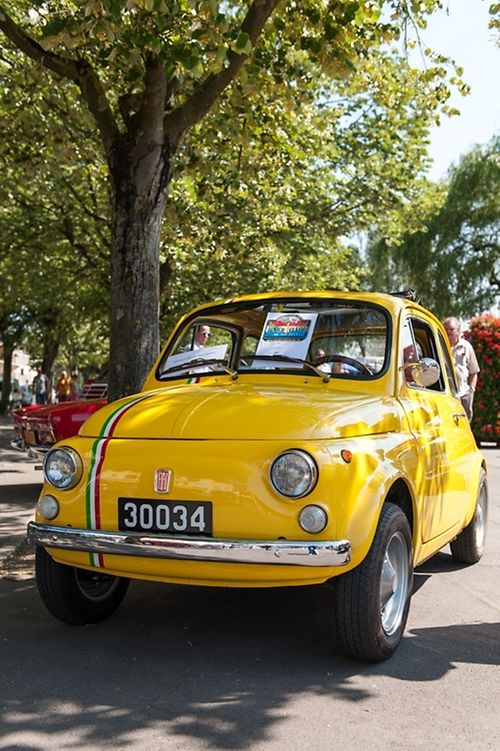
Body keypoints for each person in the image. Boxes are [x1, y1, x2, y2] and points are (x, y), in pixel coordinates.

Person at [444, 317, 480, 421]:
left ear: (458, 331)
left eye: (451, 329)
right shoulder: (440, 346)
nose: (448, 332)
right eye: (446, 329)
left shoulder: (466, 346)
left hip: (463, 393)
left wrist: (471, 390)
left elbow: (474, 371)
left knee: (465, 423)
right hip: (445, 395)